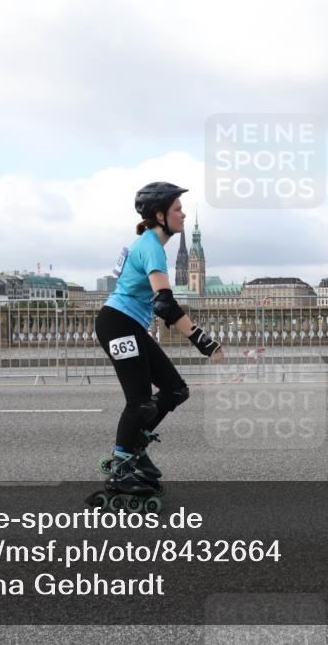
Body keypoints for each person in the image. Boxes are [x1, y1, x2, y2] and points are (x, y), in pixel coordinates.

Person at [93, 181, 225, 504]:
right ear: (160, 214)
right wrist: (204, 342)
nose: (181, 214)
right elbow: (165, 304)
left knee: (175, 390)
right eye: (177, 209)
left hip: (129, 325)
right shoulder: (150, 245)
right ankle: (121, 466)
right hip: (117, 324)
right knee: (138, 401)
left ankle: (134, 450)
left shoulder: (151, 244)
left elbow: (158, 303)